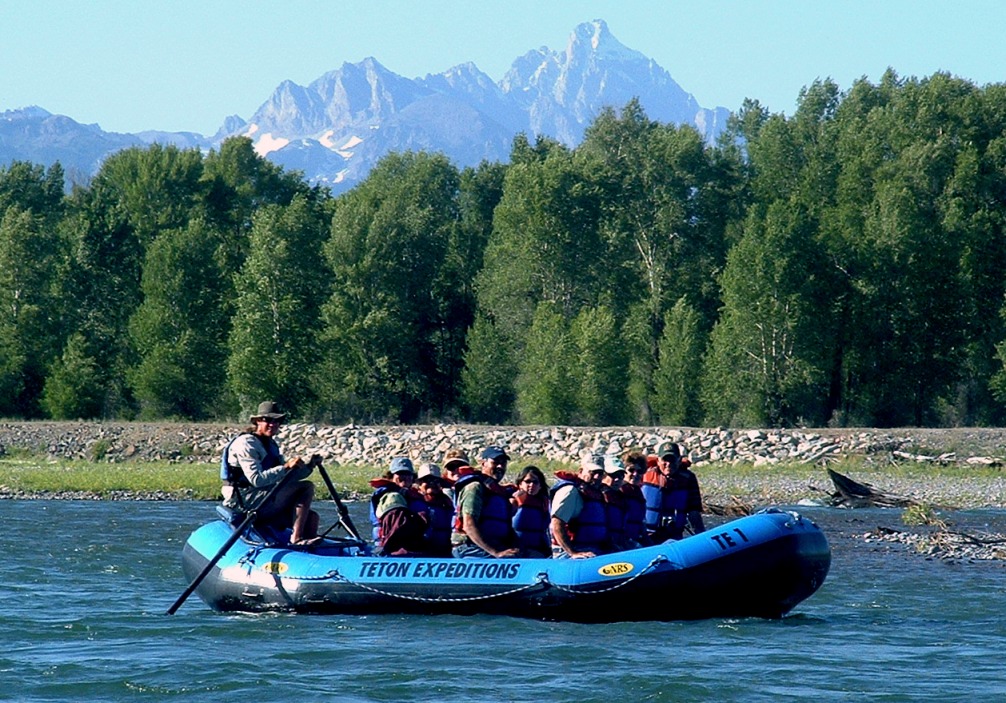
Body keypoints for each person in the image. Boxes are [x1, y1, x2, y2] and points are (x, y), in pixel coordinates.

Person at [220, 401, 320, 546]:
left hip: (261, 497)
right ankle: (296, 539)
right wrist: (286, 467)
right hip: (242, 500)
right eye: (267, 420)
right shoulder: (247, 444)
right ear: (257, 422)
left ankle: (311, 551)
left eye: (277, 421)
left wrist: (310, 466)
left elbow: (285, 478)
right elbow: (257, 480)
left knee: (311, 517)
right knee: (306, 487)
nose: (272, 424)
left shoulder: (270, 444)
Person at [451, 446, 519, 558]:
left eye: (503, 463)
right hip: (470, 548)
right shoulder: (474, 487)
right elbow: (468, 525)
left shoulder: (499, 492)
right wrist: (496, 553)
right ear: (483, 463)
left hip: (493, 545)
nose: (500, 466)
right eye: (495, 462)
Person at [641, 444, 705, 541]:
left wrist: (702, 537)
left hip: (674, 537)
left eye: (672, 460)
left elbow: (694, 512)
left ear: (679, 461)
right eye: (664, 460)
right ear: (658, 461)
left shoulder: (688, 478)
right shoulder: (643, 474)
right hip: (647, 535)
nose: (668, 464)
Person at [549, 456, 608, 558]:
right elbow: (556, 525)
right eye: (593, 472)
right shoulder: (570, 491)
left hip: (593, 547)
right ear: (581, 471)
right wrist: (572, 553)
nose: (597, 477)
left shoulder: (596, 494)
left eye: (600, 473)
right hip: (569, 551)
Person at [368, 457, 429, 556]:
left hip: (412, 548)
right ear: (391, 476)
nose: (404, 477)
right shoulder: (391, 496)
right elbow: (395, 526)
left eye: (407, 474)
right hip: (393, 549)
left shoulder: (414, 495)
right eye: (400, 474)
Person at [510, 465, 551, 557]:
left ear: (540, 486)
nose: (531, 485)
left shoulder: (545, 504)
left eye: (535, 482)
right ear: (520, 484)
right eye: (528, 481)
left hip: (538, 551)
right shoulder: (513, 501)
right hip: (516, 551)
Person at [416, 463, 455, 557]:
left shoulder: (448, 502)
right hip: (423, 552)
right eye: (427, 480)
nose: (431, 484)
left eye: (435, 480)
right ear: (419, 483)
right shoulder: (414, 502)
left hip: (446, 550)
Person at [600, 455, 631, 552]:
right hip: (602, 546)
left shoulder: (621, 497)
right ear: (603, 475)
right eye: (613, 476)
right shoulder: (598, 496)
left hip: (619, 543)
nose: (617, 479)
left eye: (620, 476)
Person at [620, 451, 650, 547]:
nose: (635, 474)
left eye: (639, 471)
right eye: (631, 470)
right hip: (621, 541)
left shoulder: (638, 493)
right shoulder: (619, 491)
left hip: (636, 539)